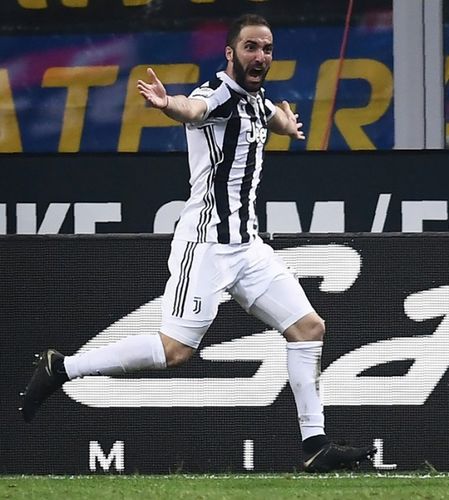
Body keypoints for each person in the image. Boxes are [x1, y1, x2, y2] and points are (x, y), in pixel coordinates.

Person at [21, 13, 375, 473]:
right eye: (250, 47)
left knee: (308, 328)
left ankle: (315, 443)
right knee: (175, 351)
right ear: (230, 53)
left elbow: (262, 113)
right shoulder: (220, 95)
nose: (260, 56)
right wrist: (170, 104)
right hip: (206, 244)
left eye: (266, 48)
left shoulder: (254, 100)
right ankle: (61, 368)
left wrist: (284, 125)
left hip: (247, 248)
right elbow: (195, 109)